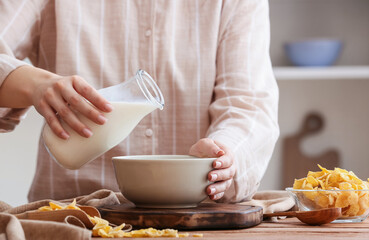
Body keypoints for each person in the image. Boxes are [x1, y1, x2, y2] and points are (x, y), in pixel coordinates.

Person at [0, 0, 279, 203]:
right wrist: (33, 83)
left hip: (198, 219)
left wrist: (225, 154)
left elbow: (247, 104)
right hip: (73, 216)